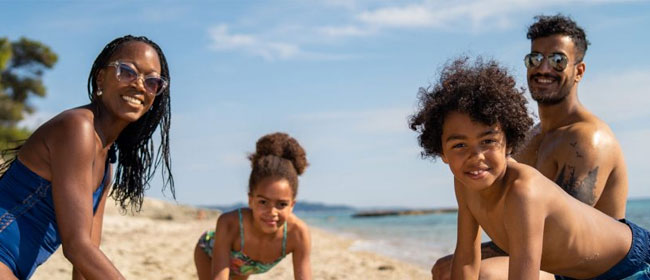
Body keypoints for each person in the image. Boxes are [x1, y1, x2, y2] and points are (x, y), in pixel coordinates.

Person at [410, 57, 649, 280]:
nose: (476, 156)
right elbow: (466, 260)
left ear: (510, 143)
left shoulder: (524, 191)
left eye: (488, 141)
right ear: (442, 152)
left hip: (631, 266)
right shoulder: (465, 183)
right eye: (460, 145)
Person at [0, 35, 174, 279]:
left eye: (152, 82)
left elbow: (87, 255)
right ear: (101, 78)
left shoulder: (107, 163)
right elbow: (76, 247)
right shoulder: (77, 128)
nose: (139, 85)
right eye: (127, 72)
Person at [194, 132, 312, 280]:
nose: (272, 212)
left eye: (281, 204)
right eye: (263, 202)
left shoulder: (298, 234)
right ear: (250, 200)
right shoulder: (229, 224)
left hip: (244, 267)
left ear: (292, 205)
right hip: (209, 254)